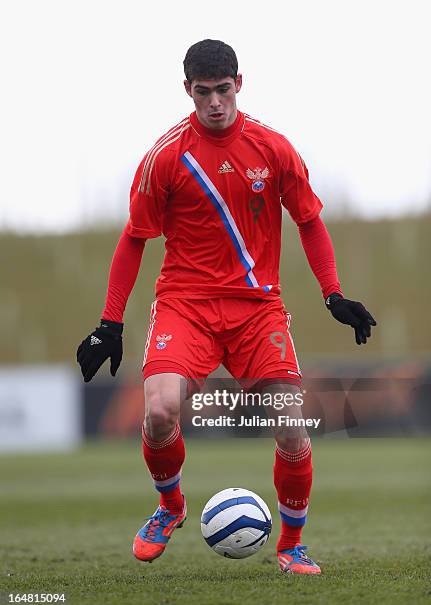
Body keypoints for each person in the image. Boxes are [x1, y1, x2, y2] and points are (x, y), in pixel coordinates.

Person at [77, 39, 376, 575]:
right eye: (202, 92)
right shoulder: (165, 157)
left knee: (291, 424)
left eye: (222, 90)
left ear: (240, 83)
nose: (214, 103)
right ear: (186, 90)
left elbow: (309, 219)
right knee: (161, 409)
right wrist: (109, 322)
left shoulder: (274, 148)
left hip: (257, 309)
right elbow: (134, 238)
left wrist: (334, 293)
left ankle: (291, 546)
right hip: (184, 304)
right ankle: (170, 507)